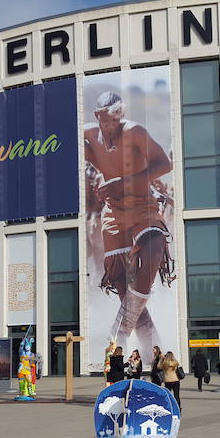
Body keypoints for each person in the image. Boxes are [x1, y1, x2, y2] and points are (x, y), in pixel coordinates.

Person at [84, 91, 175, 359]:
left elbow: (164, 164)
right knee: (123, 286)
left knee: (154, 252)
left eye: (116, 119)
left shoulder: (135, 132)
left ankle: (119, 332)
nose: (111, 125)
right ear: (97, 116)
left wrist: (122, 183)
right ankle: (152, 352)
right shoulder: (87, 136)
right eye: (106, 120)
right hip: (113, 213)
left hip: (143, 206)